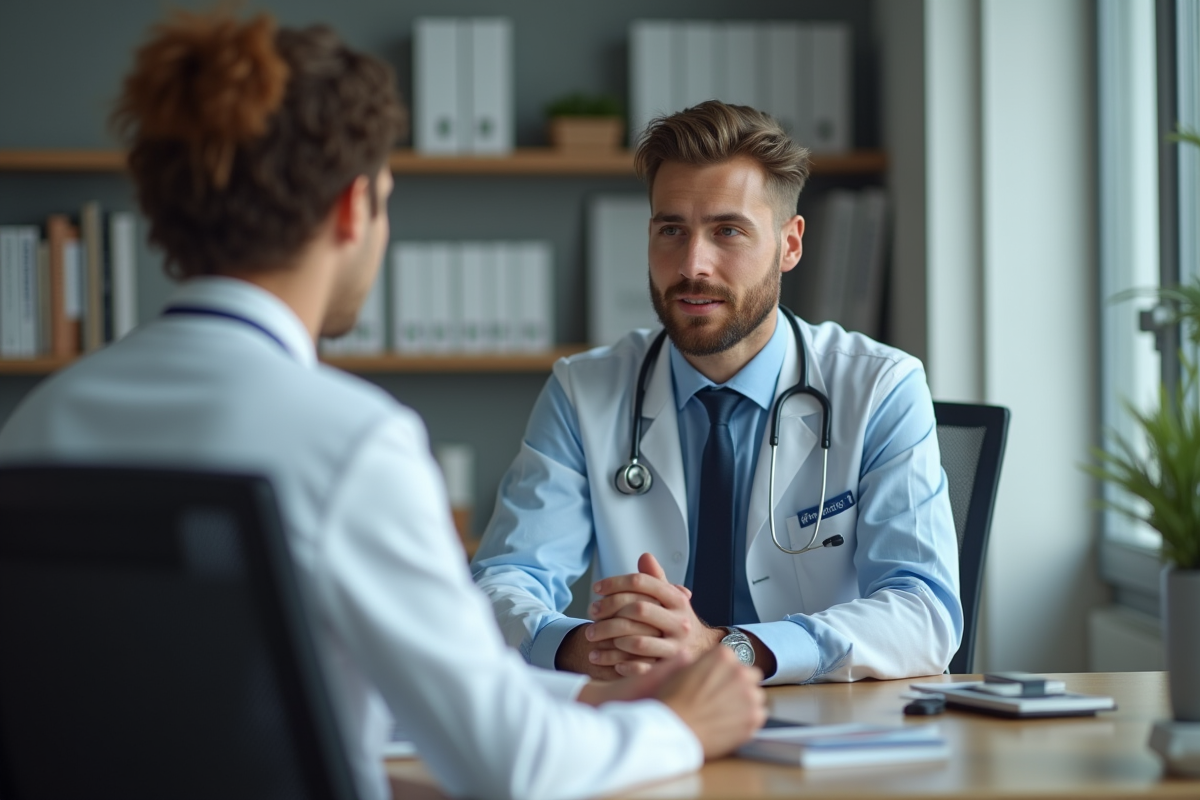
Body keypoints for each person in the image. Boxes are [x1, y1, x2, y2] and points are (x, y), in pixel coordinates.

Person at [0, 14, 767, 800]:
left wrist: (584, 697)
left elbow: (320, 695)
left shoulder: (36, 428)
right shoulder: (352, 444)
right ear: (350, 207)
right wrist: (683, 723)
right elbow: (511, 766)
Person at [471, 100, 963, 686]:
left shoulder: (881, 387)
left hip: (821, 719)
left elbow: (924, 612)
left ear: (790, 244)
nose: (692, 264)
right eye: (671, 230)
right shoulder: (584, 390)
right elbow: (501, 585)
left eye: (727, 231)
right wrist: (588, 646)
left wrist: (730, 650)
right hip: (648, 719)